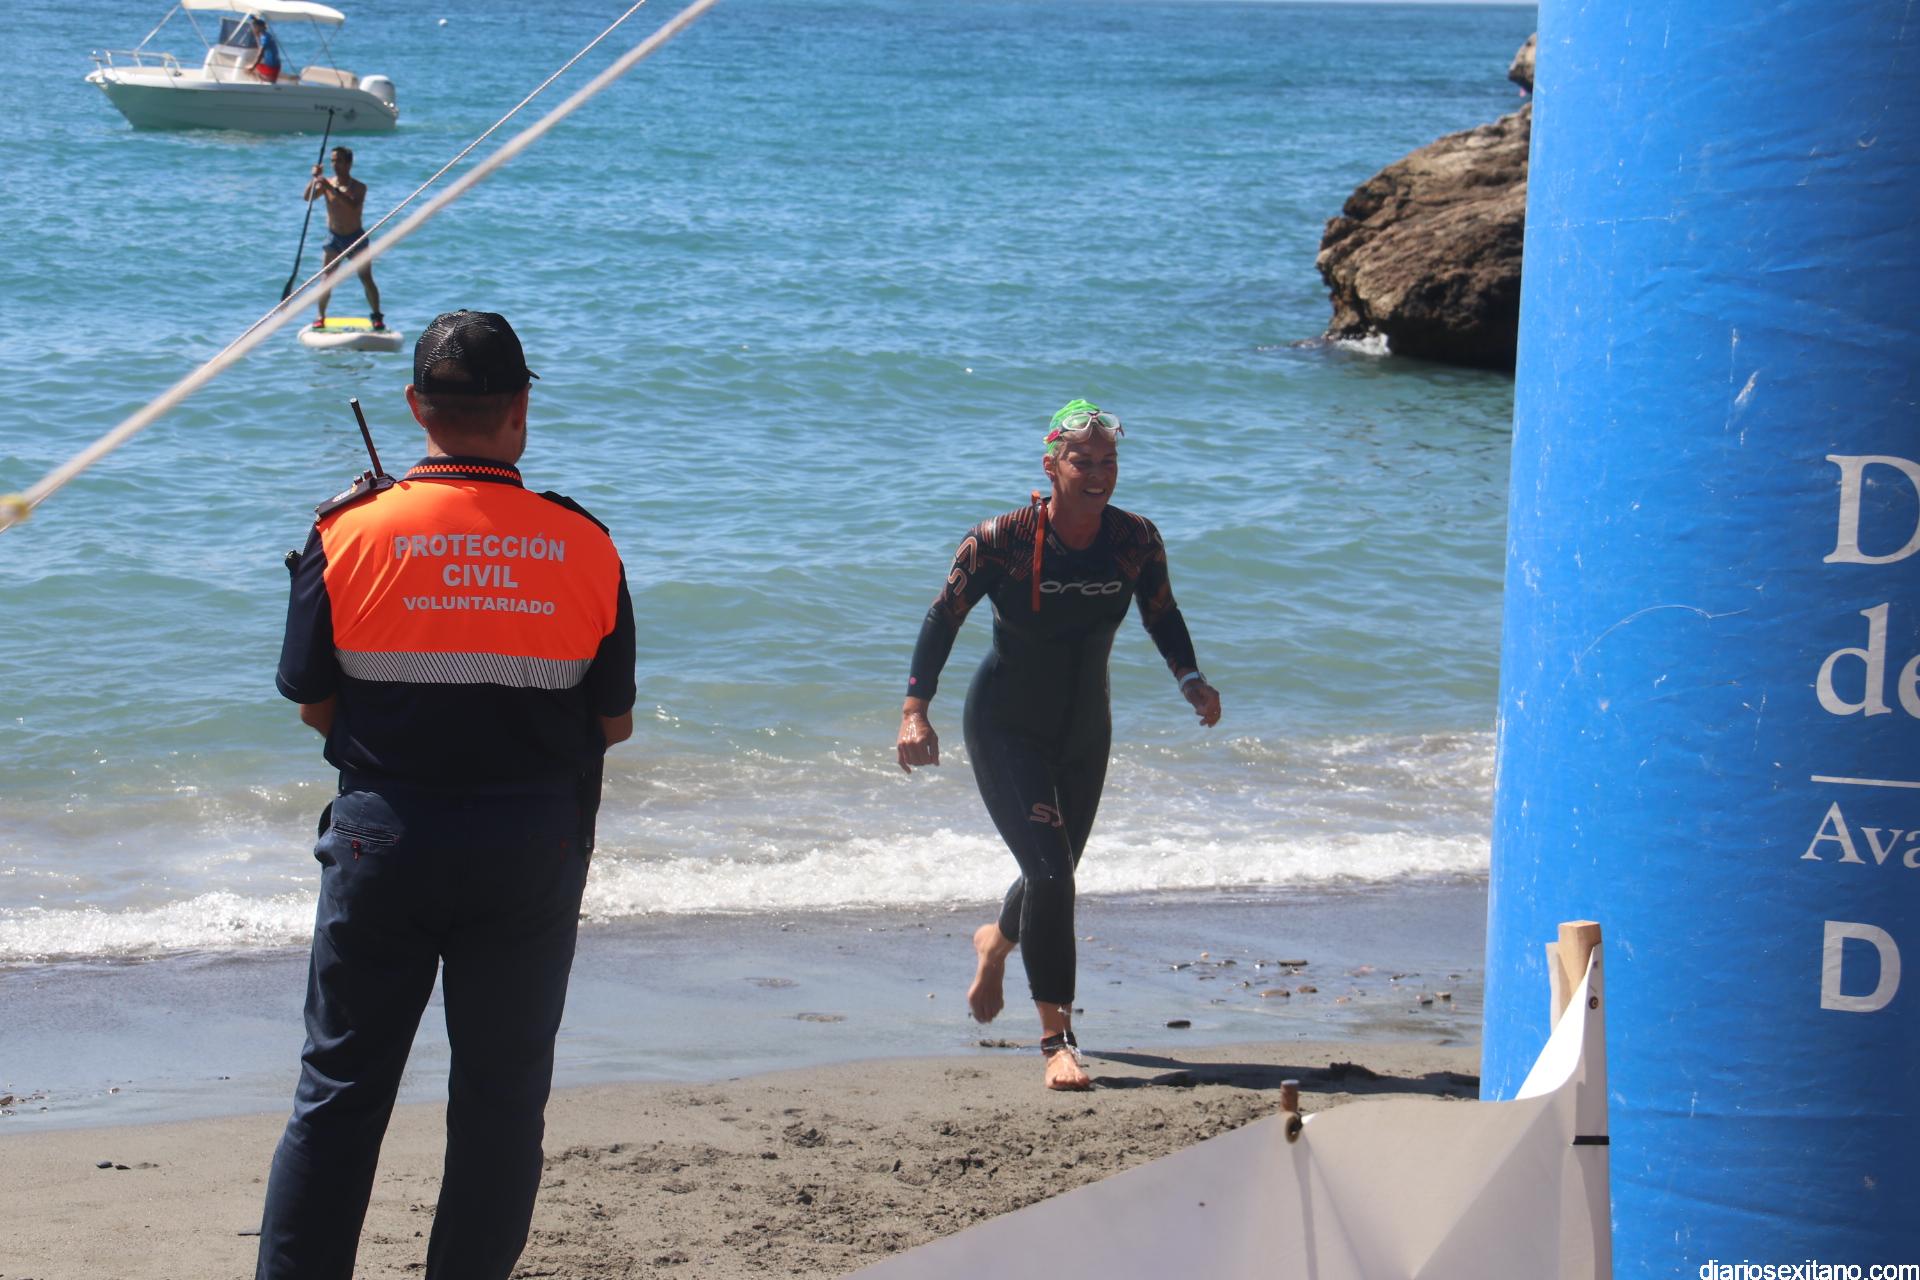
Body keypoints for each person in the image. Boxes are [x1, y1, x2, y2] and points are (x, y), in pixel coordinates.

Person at [259, 310, 636, 1279]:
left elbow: (311, 704)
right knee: (502, 1104)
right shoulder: (587, 545)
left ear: (415, 406)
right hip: (530, 850)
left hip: (383, 842)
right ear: (521, 409)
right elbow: (611, 723)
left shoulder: (344, 531)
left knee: (339, 1094)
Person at [896, 400, 1222, 1091]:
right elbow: (943, 616)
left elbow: (1161, 612)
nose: (1098, 473)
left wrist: (1190, 678)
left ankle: (996, 941)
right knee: (1052, 877)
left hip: (1084, 728)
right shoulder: (1001, 539)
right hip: (1005, 723)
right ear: (1052, 466)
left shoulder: (1135, 540)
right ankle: (1057, 1042)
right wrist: (914, 712)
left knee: (1055, 869)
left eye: (1108, 461)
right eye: (1082, 461)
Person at [303, 146, 384, 331]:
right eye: (332, 161)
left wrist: (330, 187)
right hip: (334, 238)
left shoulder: (359, 187)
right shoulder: (327, 184)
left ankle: (377, 316)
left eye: (339, 161)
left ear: (349, 164)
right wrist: (314, 179)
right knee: (326, 279)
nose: (334, 165)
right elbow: (307, 197)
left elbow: (352, 205)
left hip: (356, 238)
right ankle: (320, 317)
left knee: (366, 278)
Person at [249, 15, 282, 83]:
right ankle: (263, 80)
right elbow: (260, 48)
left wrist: (253, 67)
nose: (253, 29)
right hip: (274, 66)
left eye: (254, 27)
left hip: (272, 68)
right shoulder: (266, 35)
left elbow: (260, 54)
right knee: (251, 68)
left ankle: (261, 81)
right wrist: (256, 35)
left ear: (260, 27)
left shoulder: (265, 38)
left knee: (248, 68)